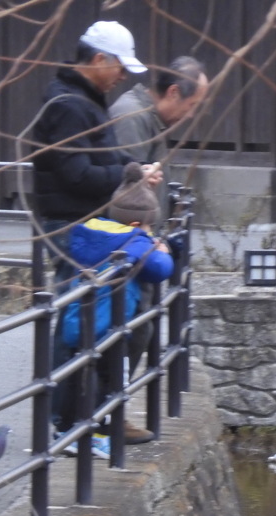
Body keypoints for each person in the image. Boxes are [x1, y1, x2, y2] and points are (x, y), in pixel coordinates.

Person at [29, 20, 161, 449]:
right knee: (76, 321)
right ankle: (65, 421)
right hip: (71, 224)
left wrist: (135, 171)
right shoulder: (70, 105)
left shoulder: (83, 100)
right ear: (99, 59)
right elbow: (77, 173)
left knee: (86, 317)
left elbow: (104, 156)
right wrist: (128, 176)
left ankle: (84, 416)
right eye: (120, 66)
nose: (123, 76)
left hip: (80, 223)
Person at [57, 162, 174, 449]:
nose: (150, 232)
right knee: (106, 377)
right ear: (136, 223)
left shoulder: (94, 231)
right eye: (149, 225)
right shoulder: (133, 241)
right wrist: (162, 249)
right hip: (110, 322)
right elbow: (159, 268)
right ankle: (94, 434)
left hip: (82, 317)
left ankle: (69, 430)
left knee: (81, 373)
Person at [109, 56, 208, 385]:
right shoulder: (132, 118)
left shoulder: (149, 120)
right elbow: (126, 193)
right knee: (133, 326)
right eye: (193, 103)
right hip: (130, 246)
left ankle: (111, 411)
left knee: (142, 325)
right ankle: (108, 412)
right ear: (174, 92)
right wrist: (148, 236)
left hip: (142, 243)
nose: (192, 114)